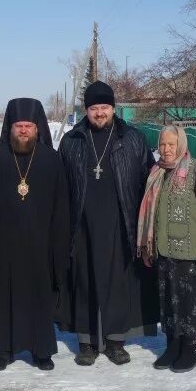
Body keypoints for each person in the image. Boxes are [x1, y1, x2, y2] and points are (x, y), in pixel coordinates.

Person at [57, 81, 158, 366]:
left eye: (104, 107)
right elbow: (60, 186)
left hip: (120, 222)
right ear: (85, 110)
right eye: (93, 108)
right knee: (84, 282)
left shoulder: (133, 139)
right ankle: (86, 343)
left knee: (117, 283)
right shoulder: (72, 140)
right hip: (82, 224)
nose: (99, 113)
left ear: (113, 108)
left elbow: (149, 182)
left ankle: (115, 341)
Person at [0, 98, 70, 372]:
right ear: (10, 128)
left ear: (38, 128)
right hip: (5, 246)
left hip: (41, 244)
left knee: (41, 298)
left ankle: (42, 351)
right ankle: (2, 351)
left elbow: (61, 207)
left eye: (29, 125)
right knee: (5, 300)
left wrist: (58, 245)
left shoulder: (52, 160)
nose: (24, 131)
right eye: (19, 125)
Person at [137, 126, 196, 373]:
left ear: (181, 144)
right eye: (163, 144)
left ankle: (191, 348)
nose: (166, 149)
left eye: (172, 144)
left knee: (189, 301)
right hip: (164, 249)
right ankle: (172, 345)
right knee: (168, 301)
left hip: (191, 250)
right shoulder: (156, 172)